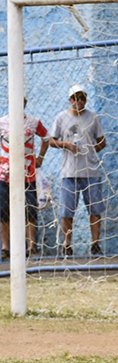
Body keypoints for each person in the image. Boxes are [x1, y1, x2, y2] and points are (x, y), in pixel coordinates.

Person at [49, 84, 105, 256]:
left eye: (82, 98)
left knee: (95, 209)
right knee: (67, 210)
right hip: (69, 172)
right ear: (70, 100)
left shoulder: (93, 117)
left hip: (90, 171)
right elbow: (51, 140)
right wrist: (65, 145)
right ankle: (67, 244)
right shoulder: (61, 118)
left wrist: (92, 149)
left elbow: (102, 141)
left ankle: (95, 243)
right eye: (76, 98)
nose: (79, 101)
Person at [0, 97, 49, 260]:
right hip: (5, 174)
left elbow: (46, 138)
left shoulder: (33, 122)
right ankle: (6, 248)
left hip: (27, 174)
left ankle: (31, 246)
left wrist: (40, 158)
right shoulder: (2, 122)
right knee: (3, 211)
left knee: (30, 210)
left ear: (24, 105)